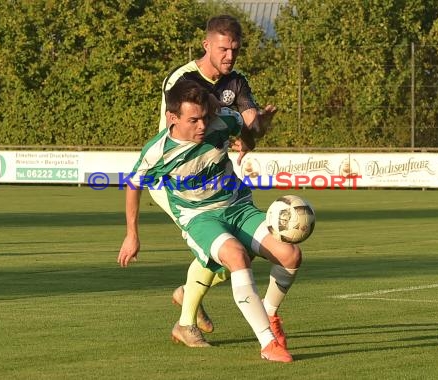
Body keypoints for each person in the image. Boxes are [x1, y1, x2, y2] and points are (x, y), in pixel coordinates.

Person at [118, 80, 301, 363]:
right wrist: (132, 235)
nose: (202, 125)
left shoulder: (222, 120)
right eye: (193, 120)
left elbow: (244, 131)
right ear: (172, 118)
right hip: (199, 216)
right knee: (237, 256)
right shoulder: (158, 151)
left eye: (204, 117)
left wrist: (247, 143)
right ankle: (268, 343)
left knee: (290, 255)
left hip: (238, 206)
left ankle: (270, 312)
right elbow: (133, 185)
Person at [155, 14, 280, 342]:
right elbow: (173, 134)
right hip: (176, 182)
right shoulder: (182, 79)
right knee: (219, 246)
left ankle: (190, 294)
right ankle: (186, 321)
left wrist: (260, 125)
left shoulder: (236, 83)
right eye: (223, 49)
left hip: (216, 181)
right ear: (207, 45)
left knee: (241, 251)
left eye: (235, 50)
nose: (230, 56)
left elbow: (250, 132)